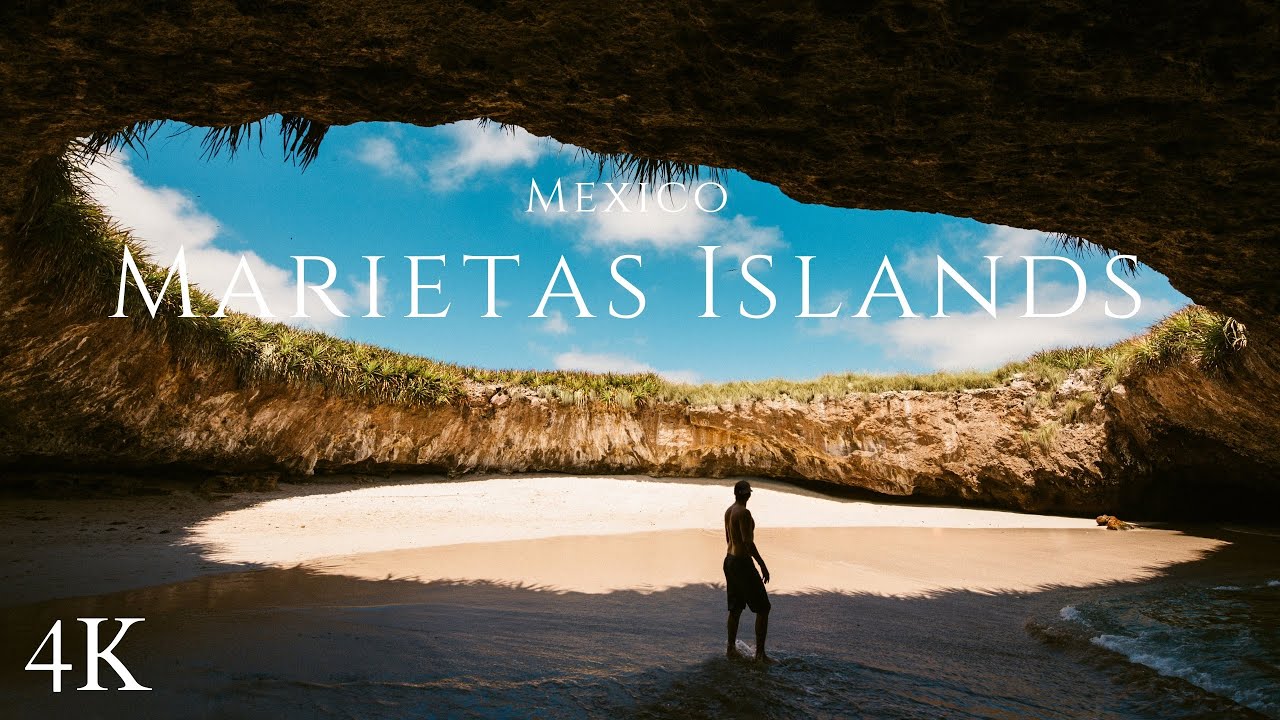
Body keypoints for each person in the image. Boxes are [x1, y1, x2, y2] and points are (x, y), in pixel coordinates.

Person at [723, 479, 774, 663]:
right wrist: (762, 564)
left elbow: (728, 538)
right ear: (748, 494)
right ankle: (760, 655)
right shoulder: (744, 513)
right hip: (742, 563)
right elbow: (747, 542)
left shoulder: (729, 511)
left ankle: (730, 649)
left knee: (735, 608)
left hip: (729, 561)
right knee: (764, 608)